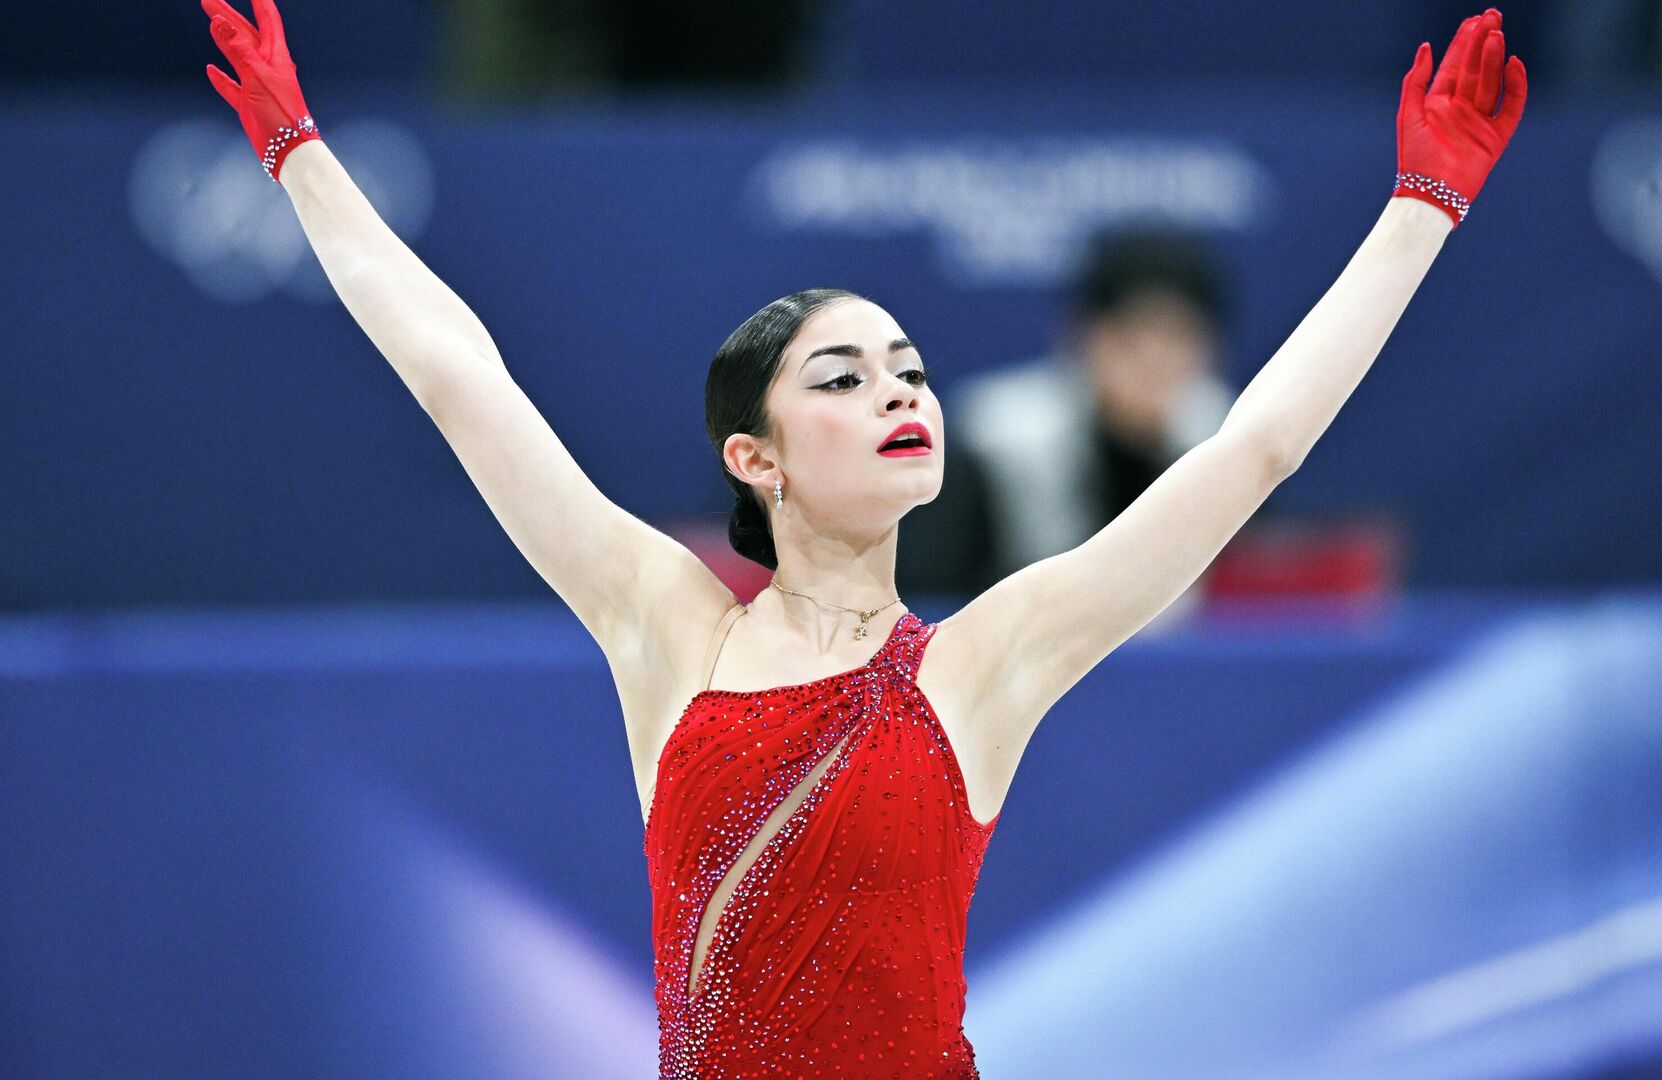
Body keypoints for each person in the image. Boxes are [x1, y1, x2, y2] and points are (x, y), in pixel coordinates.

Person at [200, 1, 1526, 1074]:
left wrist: (1422, 206)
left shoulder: (987, 663)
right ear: (756, 457)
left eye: (910, 372)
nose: (900, 394)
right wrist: (301, 156)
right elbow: (458, 377)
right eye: (844, 377)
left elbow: (1254, 449)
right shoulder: (668, 628)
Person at [899, 224, 1242, 609]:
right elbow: (934, 597)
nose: (1153, 360)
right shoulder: (996, 441)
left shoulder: (1231, 437)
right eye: (1131, 337)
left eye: (1177, 337)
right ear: (1082, 336)